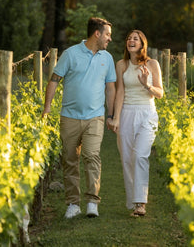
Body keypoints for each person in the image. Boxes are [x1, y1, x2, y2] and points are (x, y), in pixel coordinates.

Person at [42, 17, 116, 219]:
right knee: (70, 160)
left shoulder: (107, 58)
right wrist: (47, 107)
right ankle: (73, 204)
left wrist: (111, 115)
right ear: (97, 33)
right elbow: (55, 80)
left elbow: (110, 88)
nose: (110, 38)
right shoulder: (71, 54)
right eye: (107, 34)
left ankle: (92, 201)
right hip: (69, 117)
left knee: (92, 156)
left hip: (95, 117)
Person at [108, 30, 163, 217]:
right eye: (129, 38)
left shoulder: (152, 64)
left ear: (142, 44)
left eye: (135, 39)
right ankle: (133, 201)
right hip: (126, 114)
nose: (131, 40)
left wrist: (146, 85)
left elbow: (160, 93)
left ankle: (141, 203)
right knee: (127, 159)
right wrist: (115, 117)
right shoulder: (121, 64)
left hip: (147, 113)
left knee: (140, 156)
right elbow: (120, 92)